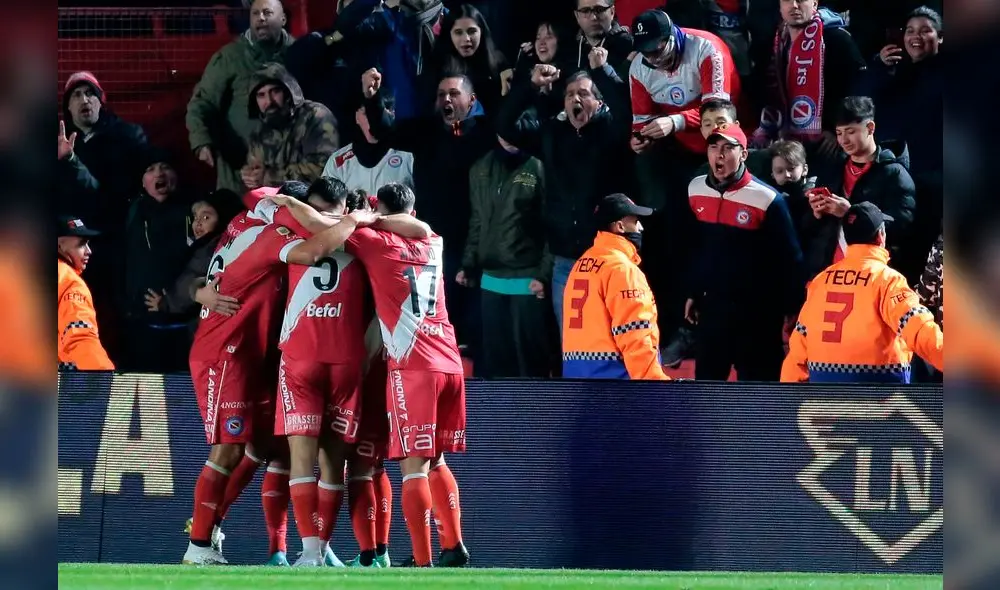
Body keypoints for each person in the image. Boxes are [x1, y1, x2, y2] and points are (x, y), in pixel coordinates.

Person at [182, 184, 381, 566]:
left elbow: (263, 196)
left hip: (256, 352)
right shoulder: (275, 234)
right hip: (228, 351)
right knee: (229, 447)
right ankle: (199, 543)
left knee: (264, 447)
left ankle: (280, 543)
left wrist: (197, 290)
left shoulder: (242, 221)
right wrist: (354, 219)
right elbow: (313, 249)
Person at [248, 180, 431, 568]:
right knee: (335, 463)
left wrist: (283, 199)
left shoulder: (301, 225)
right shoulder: (364, 236)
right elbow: (420, 229)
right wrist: (364, 218)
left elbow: (258, 198)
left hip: (300, 355)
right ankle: (321, 549)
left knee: (298, 459)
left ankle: (310, 552)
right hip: (347, 359)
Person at [342, 183, 470, 568]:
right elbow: (416, 226)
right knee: (437, 461)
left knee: (412, 466)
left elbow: (332, 229)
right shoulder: (433, 241)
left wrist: (362, 215)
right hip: (450, 360)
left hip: (413, 366)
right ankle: (453, 545)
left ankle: (422, 561)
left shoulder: (374, 242)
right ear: (412, 212)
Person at [359, 67, 494, 350]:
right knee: (439, 317)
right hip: (431, 239)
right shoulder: (425, 130)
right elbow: (385, 131)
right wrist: (372, 100)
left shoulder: (485, 134)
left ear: (471, 100)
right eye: (442, 94)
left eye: (454, 94)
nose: (447, 99)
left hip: (475, 238)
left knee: (472, 322)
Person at [497, 60, 632, 334]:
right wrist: (531, 85)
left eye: (583, 93)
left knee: (609, 339)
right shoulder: (552, 134)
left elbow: (627, 110)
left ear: (598, 101)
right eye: (570, 94)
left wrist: (601, 71)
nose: (575, 99)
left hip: (607, 256)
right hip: (566, 259)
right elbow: (505, 125)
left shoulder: (611, 131)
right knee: (571, 341)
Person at [685, 123, 804, 381]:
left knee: (757, 396)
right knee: (706, 388)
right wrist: (694, 292)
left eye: (729, 148)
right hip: (713, 309)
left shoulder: (767, 198)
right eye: (714, 147)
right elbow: (695, 247)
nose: (720, 155)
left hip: (757, 315)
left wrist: (792, 307)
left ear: (744, 154)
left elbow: (790, 259)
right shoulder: (694, 189)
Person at [781, 202, 943, 382]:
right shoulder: (887, 280)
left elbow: (800, 342)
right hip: (881, 399)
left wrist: (790, 398)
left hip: (826, 398)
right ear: (881, 236)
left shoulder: (821, 281)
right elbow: (920, 329)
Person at [58, 71, 149, 364]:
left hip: (114, 246)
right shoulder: (56, 144)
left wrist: (71, 162)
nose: (85, 100)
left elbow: (110, 199)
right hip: (70, 248)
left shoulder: (127, 137)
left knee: (118, 320)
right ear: (68, 108)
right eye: (76, 95)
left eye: (90, 94)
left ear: (101, 101)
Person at [458, 134, 554, 378]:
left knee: (531, 365)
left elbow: (551, 227)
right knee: (496, 364)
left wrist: (544, 275)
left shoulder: (540, 166)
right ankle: (500, 415)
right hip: (490, 282)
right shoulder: (480, 168)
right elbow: (477, 220)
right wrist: (468, 264)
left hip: (528, 281)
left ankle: (538, 415)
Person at [186, 0, 293, 193]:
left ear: (283, 18)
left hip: (287, 168)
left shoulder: (299, 53)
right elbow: (201, 103)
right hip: (238, 169)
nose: (261, 18)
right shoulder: (230, 57)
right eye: (255, 13)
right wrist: (202, 141)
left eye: (267, 13)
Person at [562, 194, 669, 380]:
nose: (640, 228)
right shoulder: (622, 270)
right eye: (635, 222)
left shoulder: (581, 264)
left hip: (577, 381)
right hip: (615, 383)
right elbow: (635, 333)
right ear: (619, 226)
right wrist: (656, 386)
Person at [810, 96, 918, 282]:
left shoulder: (894, 174)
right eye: (839, 132)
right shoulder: (833, 168)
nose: (844, 140)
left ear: (870, 128)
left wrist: (850, 213)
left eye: (850, 131)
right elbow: (813, 228)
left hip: (869, 276)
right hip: (827, 271)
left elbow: (902, 225)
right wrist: (816, 211)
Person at [752, 0, 866, 156]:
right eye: (787, 1)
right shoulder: (775, 42)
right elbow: (761, 87)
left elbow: (858, 90)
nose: (794, 5)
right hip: (783, 143)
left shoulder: (837, 39)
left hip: (827, 144)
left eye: (800, 0)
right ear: (779, 6)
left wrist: (837, 128)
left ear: (814, 3)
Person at [120, 147, 194, 373]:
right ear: (143, 181)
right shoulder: (132, 213)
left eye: (165, 167)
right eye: (151, 169)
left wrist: (172, 300)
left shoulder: (195, 212)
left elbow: (202, 264)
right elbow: (122, 262)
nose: (159, 173)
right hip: (142, 324)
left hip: (185, 323)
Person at [144, 189, 245, 342]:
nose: (197, 223)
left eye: (206, 217)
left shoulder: (212, 249)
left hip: (205, 329)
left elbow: (193, 279)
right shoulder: (204, 245)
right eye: (195, 217)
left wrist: (167, 303)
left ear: (224, 218)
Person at [242, 63, 341, 191]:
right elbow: (256, 168)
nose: (269, 101)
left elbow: (322, 169)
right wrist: (251, 176)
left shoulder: (315, 116)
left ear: (288, 91)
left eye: (275, 91)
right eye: (261, 95)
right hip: (274, 204)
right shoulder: (259, 131)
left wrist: (269, 176)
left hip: (315, 202)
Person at [423, 4, 512, 119]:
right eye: (458, 32)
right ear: (449, 34)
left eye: (472, 31)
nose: (466, 39)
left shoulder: (498, 62)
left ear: (481, 31)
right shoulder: (438, 66)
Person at [57, 217, 114, 371]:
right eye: (82, 244)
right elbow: (80, 337)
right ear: (60, 245)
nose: (89, 251)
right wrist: (102, 374)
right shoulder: (69, 284)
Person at [321, 103, 415, 196]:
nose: (372, 120)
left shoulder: (409, 157)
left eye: (378, 113)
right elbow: (326, 203)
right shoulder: (338, 161)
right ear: (357, 117)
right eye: (366, 114)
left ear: (392, 115)